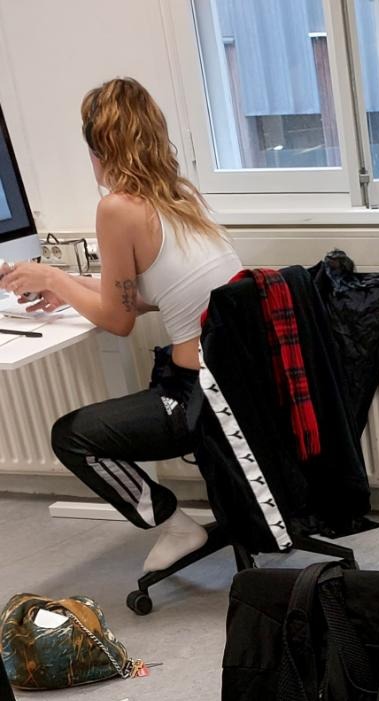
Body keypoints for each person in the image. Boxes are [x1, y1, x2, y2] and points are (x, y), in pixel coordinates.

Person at [0, 78, 239, 575]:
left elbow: (118, 320)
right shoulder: (178, 198)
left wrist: (50, 277)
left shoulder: (117, 209)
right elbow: (145, 297)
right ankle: (176, 520)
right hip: (239, 383)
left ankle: (173, 524)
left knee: (71, 436)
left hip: (200, 398)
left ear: (99, 147)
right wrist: (65, 282)